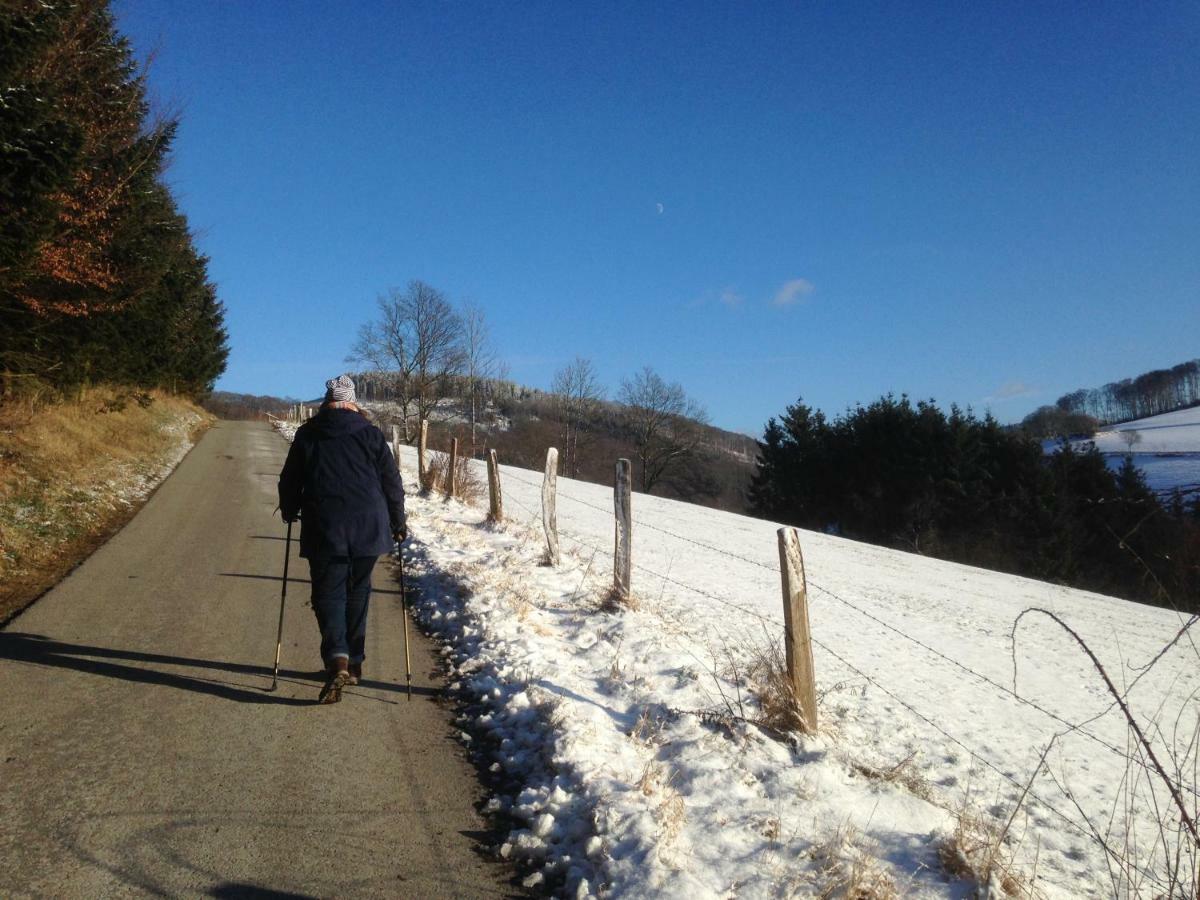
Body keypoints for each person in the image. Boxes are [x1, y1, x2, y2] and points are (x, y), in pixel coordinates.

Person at [278, 374, 406, 704]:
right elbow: (392, 482)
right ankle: (356, 662)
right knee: (358, 590)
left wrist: (289, 508)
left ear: (327, 400)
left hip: (325, 526)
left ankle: (338, 658)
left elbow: (290, 478)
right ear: (353, 401)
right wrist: (398, 521)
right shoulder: (371, 435)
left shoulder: (308, 434)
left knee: (328, 593)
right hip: (368, 526)